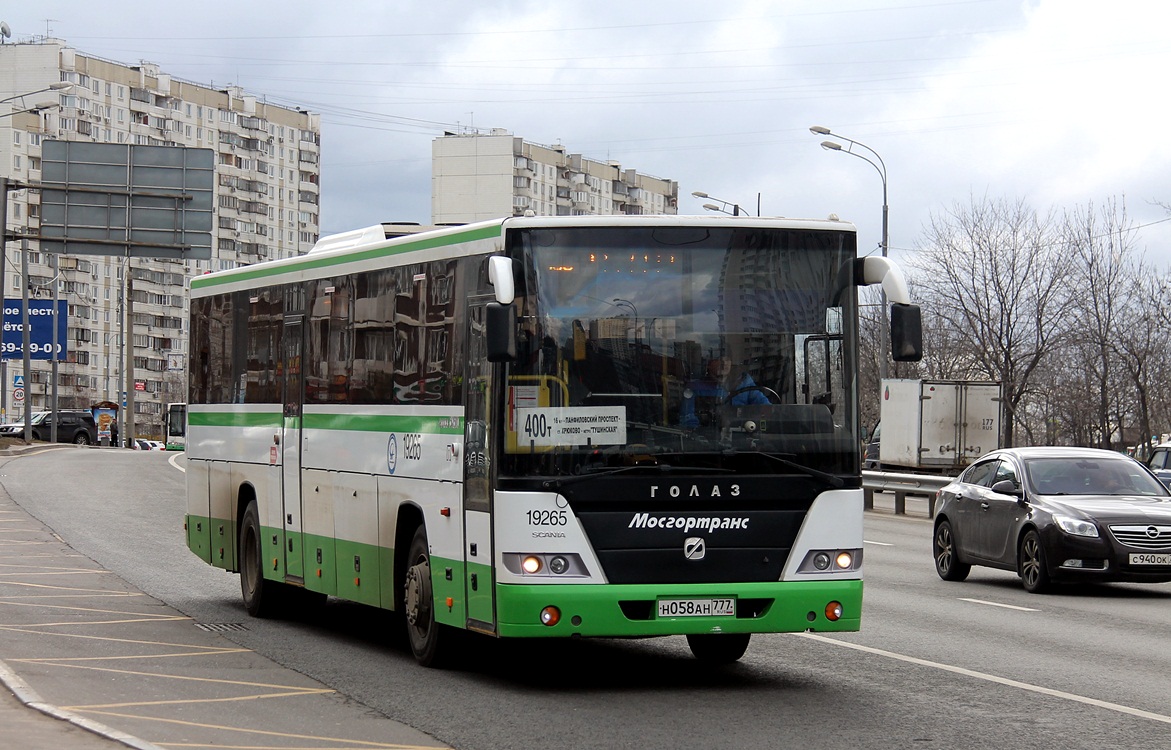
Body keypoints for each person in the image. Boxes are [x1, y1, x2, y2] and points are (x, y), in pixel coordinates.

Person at [679, 357, 768, 428]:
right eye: (719, 359)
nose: (724, 363)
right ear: (709, 363)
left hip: (742, 438)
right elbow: (687, 419)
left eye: (727, 359)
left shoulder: (744, 381)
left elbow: (765, 407)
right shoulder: (695, 387)